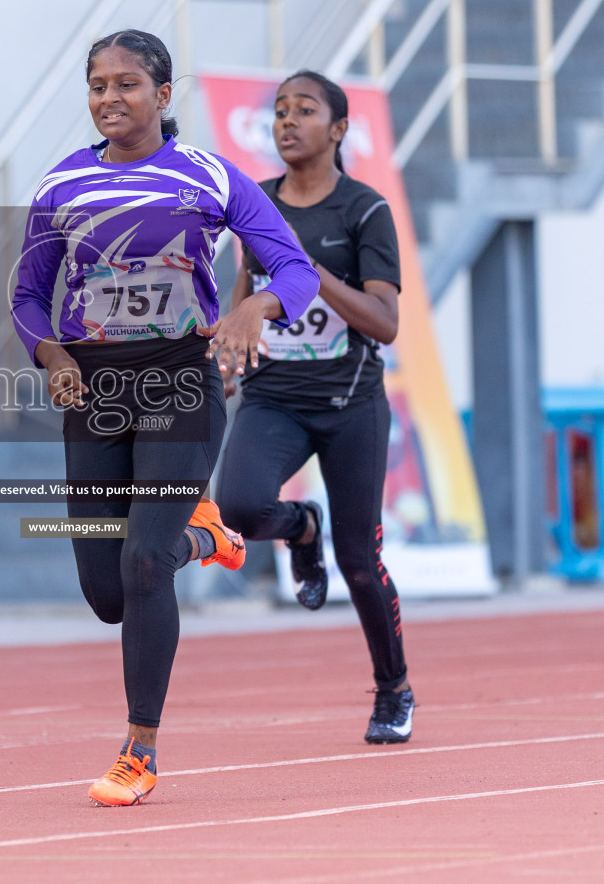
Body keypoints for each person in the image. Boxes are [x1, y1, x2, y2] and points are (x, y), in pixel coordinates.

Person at [12, 29, 317, 806]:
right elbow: (25, 298)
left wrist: (255, 305)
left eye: (127, 85)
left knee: (144, 566)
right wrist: (51, 356)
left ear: (164, 94)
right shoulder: (61, 188)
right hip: (94, 389)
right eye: (97, 86)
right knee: (107, 593)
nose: (110, 99)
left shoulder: (208, 177)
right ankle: (204, 534)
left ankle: (139, 749)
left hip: (181, 375)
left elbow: (294, 267)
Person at [212, 71, 415, 743]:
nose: (287, 121)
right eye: (279, 110)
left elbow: (385, 323)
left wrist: (313, 275)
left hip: (350, 401)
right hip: (276, 398)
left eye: (305, 110)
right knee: (238, 508)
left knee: (359, 560)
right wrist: (230, 357)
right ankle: (302, 528)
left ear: (338, 130)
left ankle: (393, 689)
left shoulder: (364, 211)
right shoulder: (256, 205)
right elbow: (245, 291)